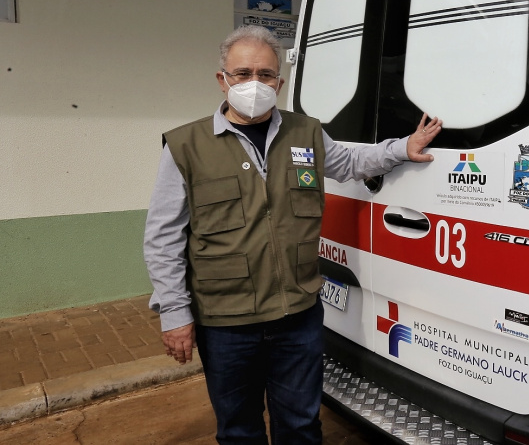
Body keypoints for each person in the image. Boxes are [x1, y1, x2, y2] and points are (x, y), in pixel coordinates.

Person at [143, 25, 442, 444]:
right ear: (221, 79)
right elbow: (163, 238)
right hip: (226, 322)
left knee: (301, 426)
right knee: (238, 431)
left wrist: (401, 148)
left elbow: (351, 161)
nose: (254, 83)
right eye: (242, 73)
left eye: (265, 75)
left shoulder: (306, 133)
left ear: (279, 83)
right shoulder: (185, 146)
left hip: (297, 316)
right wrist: (175, 315)